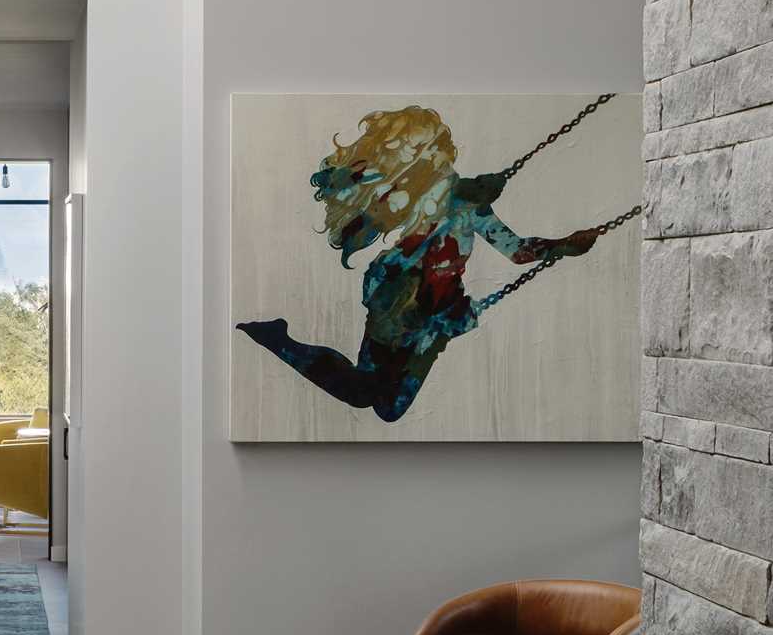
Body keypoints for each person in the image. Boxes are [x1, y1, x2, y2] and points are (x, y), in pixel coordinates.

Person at [237, 104, 612, 425]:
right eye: (426, 153)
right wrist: (467, 189)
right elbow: (433, 203)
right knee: (362, 391)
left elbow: (516, 251)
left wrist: (564, 245)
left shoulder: (472, 207)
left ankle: (280, 340)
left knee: (388, 408)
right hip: (398, 297)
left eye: (438, 153)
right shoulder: (419, 194)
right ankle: (279, 340)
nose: (436, 161)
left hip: (440, 311)